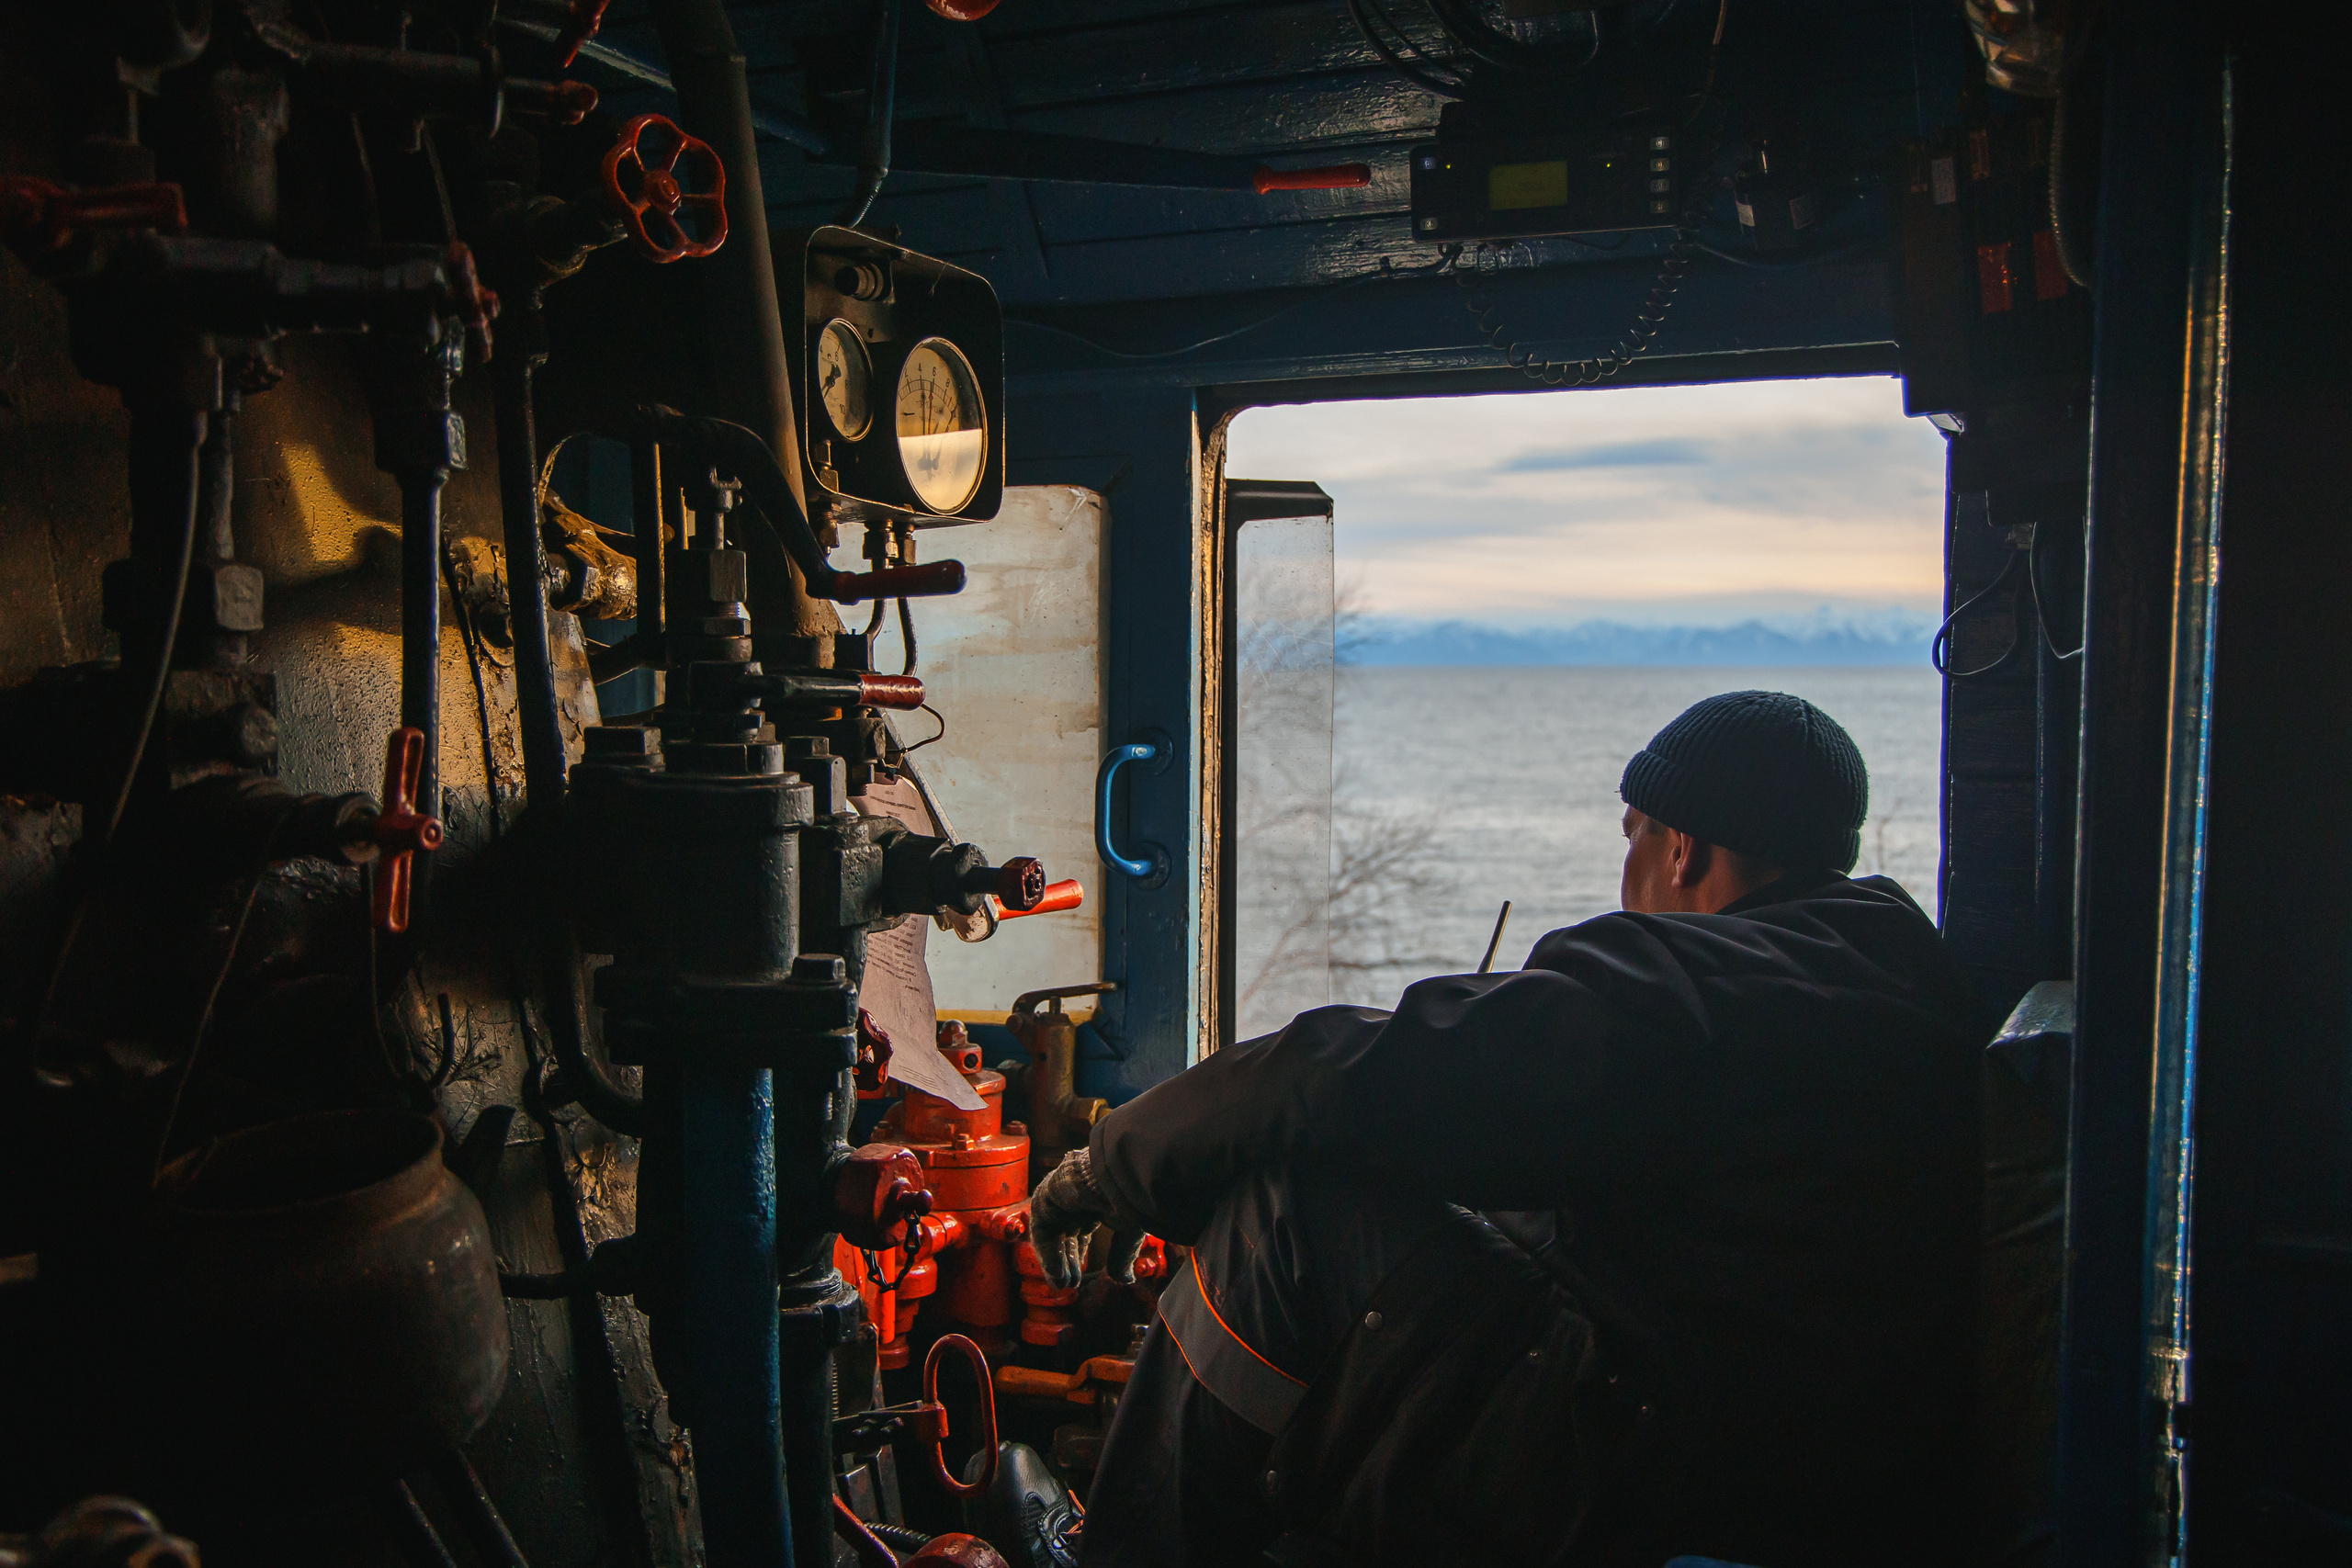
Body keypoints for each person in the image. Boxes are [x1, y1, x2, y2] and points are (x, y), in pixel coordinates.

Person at [1026, 692, 1990, 1568]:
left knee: (1289, 1215)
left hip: (1670, 1468)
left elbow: (1339, 1074)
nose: (1629, 866)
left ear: (1682, 848)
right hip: (1822, 1465)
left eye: (1634, 835)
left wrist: (1108, 1166)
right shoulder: (1895, 975)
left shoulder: (1690, 988)